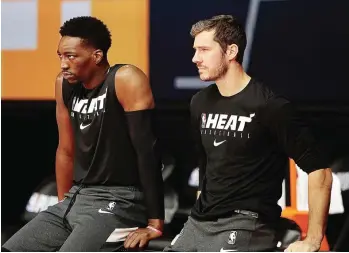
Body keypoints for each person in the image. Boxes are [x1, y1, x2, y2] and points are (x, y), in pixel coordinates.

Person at [165, 15, 333, 252]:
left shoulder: (270, 106)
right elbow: (206, 165)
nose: (195, 58)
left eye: (204, 50)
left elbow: (320, 172)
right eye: (195, 50)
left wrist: (313, 239)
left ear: (231, 51)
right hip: (199, 222)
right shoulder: (199, 102)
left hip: (248, 222)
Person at [2, 16, 164, 252]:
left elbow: (147, 153)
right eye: (60, 56)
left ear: (96, 56)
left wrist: (155, 222)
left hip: (120, 199)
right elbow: (65, 150)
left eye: (71, 56)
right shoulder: (63, 84)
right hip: (77, 197)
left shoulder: (125, 79)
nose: (63, 64)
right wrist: (62, 203)